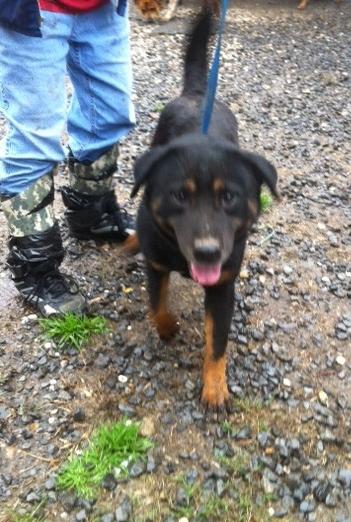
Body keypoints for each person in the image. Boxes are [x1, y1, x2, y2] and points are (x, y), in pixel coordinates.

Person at [0, 0, 136, 316]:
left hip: (102, 7)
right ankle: (34, 268)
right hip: (32, 8)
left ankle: (92, 215)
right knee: (34, 141)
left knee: (108, 115)